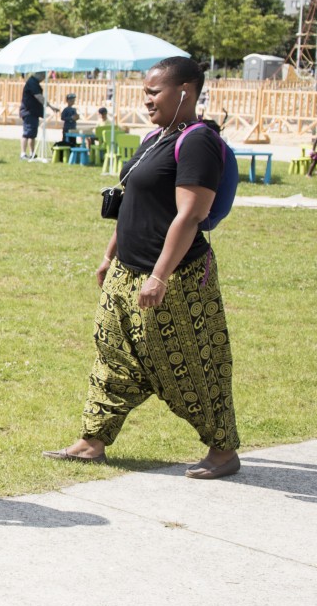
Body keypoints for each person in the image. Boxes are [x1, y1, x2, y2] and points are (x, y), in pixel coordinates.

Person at [45, 56, 241, 480]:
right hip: (127, 270)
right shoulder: (156, 137)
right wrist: (110, 254)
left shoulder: (198, 142)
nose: (147, 99)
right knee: (111, 353)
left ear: (185, 91)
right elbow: (130, 199)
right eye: (145, 91)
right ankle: (92, 441)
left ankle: (223, 450)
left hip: (176, 277)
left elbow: (190, 215)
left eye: (155, 91)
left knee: (190, 363)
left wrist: (159, 276)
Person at [18, 72, 45, 160]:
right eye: (43, 76)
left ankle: (32, 152)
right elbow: (38, 96)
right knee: (27, 133)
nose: (43, 79)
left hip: (33, 112)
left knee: (32, 133)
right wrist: (49, 105)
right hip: (28, 111)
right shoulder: (32, 83)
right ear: (40, 75)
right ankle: (23, 153)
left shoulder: (34, 82)